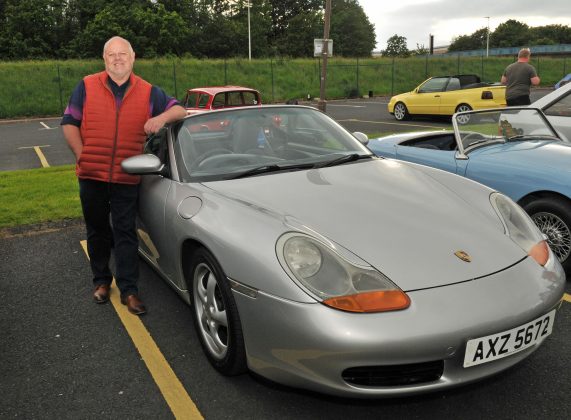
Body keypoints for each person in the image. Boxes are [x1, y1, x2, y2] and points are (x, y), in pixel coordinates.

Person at [61, 36, 186, 315]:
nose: (117, 59)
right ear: (104, 59)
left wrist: (160, 118)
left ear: (133, 58)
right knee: (97, 231)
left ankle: (129, 290)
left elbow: (181, 110)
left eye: (123, 54)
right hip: (91, 176)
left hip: (126, 176)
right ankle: (102, 281)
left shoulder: (149, 91)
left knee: (126, 233)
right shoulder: (86, 86)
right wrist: (81, 155)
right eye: (111, 55)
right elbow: (70, 123)